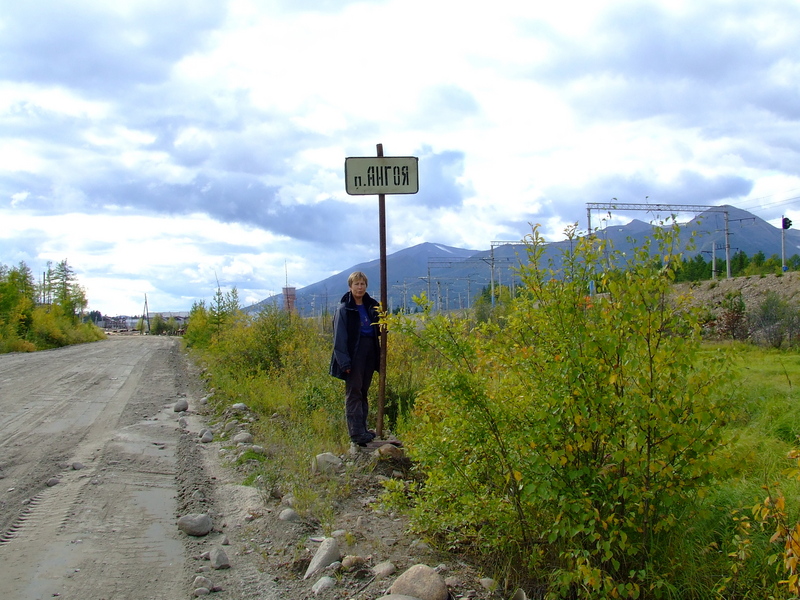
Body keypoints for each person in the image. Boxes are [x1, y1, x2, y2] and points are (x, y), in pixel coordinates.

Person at [329, 271, 381, 446]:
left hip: (369, 352)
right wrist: (345, 362)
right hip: (354, 355)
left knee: (363, 391)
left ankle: (363, 429)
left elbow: (375, 330)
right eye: (356, 284)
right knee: (354, 392)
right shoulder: (344, 309)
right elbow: (339, 338)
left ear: (366, 286)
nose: (360, 287)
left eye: (362, 284)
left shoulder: (371, 307)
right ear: (350, 287)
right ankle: (356, 434)